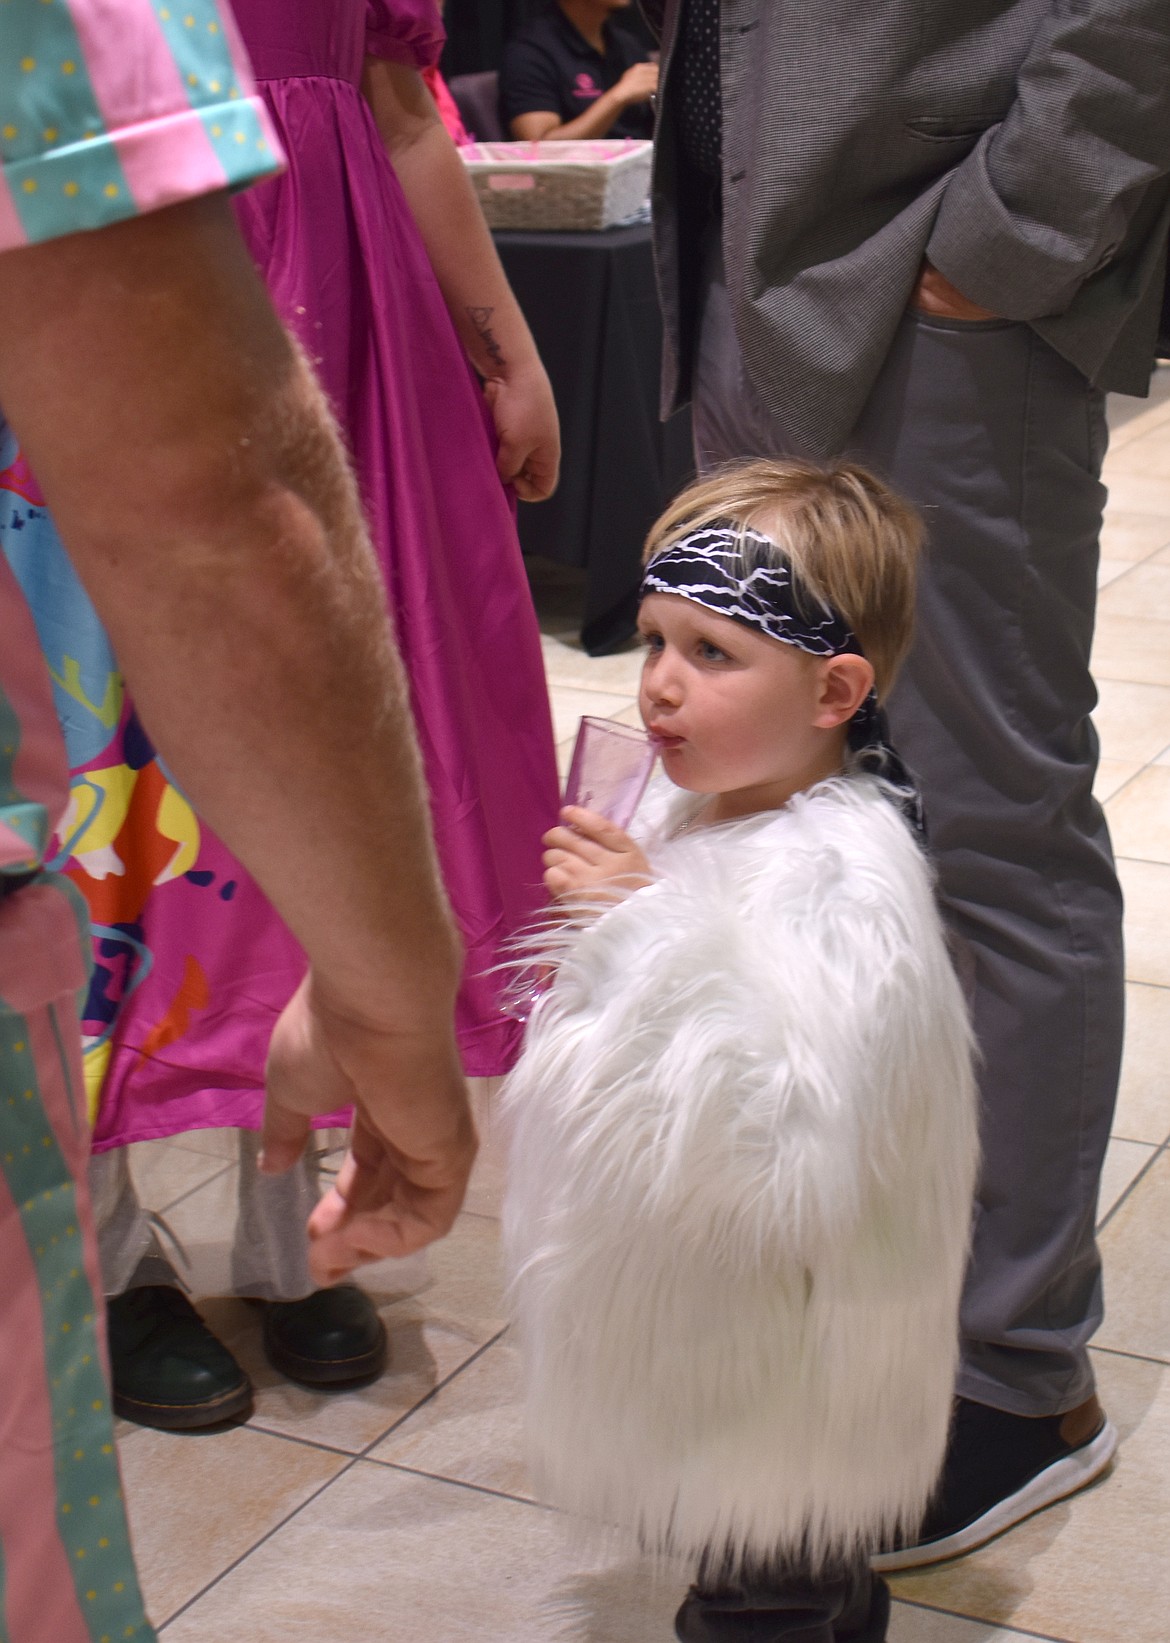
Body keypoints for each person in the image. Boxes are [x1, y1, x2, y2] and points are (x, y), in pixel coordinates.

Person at [642, 0, 1170, 1567]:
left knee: (990, 832)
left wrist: (1010, 243)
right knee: (804, 811)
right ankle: (869, 1304)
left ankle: (1015, 1375)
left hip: (931, 280)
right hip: (750, 273)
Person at [4, 0, 561, 1432]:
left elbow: (397, 103)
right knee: (107, 796)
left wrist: (499, 342)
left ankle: (290, 1215)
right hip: (112, 294)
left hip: (347, 309)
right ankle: (111, 1247)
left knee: (333, 759)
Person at [502, 460, 979, 1643]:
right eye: (654, 638)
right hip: (708, 1323)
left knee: (763, 1592)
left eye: (713, 653)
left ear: (835, 688)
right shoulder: (703, 804)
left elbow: (791, 1147)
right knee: (768, 1568)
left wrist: (642, 929)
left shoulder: (845, 880)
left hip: (786, 1365)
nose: (660, 684)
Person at [500, 0, 658, 142]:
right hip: (581, 172)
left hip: (639, 166)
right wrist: (618, 97)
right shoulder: (529, 52)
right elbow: (539, 147)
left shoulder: (627, 45)